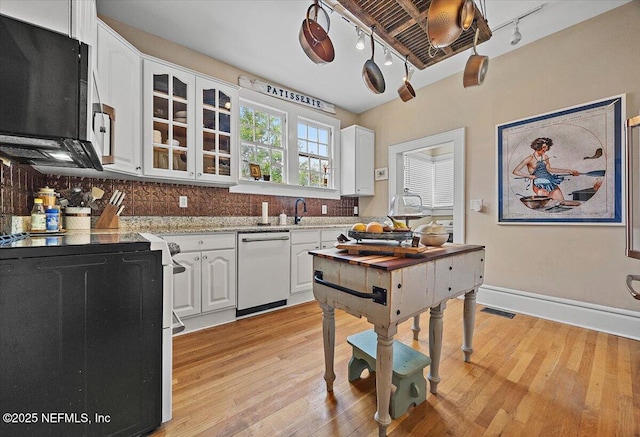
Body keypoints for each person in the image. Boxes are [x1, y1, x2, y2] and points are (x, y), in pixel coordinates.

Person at [512, 137, 580, 201]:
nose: (544, 150)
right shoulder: (530, 158)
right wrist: (529, 176)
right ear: (537, 147)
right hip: (539, 184)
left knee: (561, 201)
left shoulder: (545, 157)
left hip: (550, 181)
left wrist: (569, 171)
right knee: (545, 202)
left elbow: (550, 169)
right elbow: (515, 171)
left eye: (546, 148)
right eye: (543, 148)